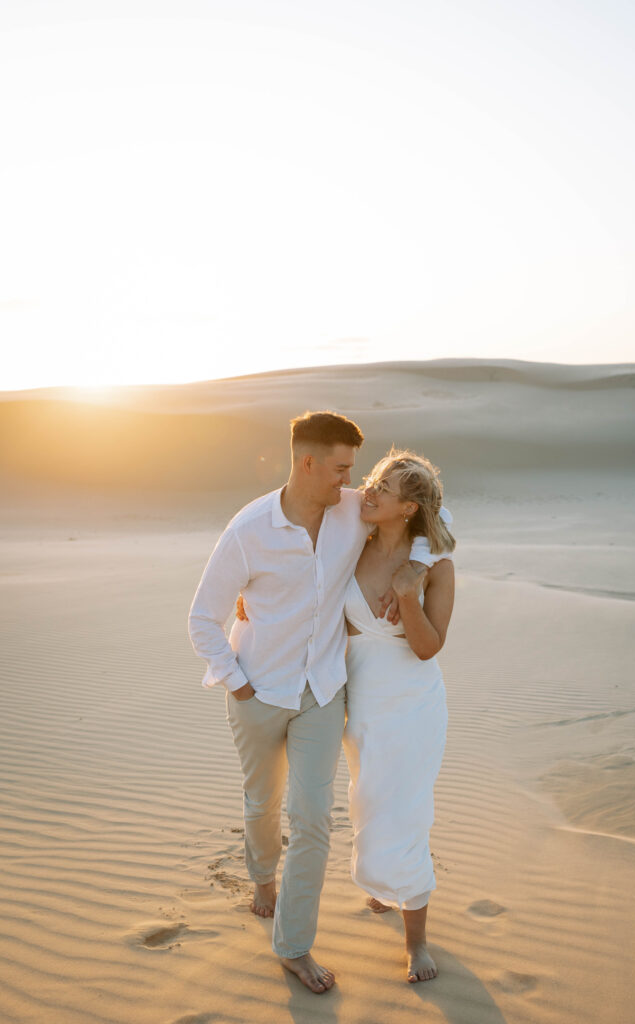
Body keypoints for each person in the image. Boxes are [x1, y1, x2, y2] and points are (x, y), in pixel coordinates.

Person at [187, 412, 437, 994]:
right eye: (343, 469)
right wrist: (237, 681)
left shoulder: (352, 510)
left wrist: (417, 567)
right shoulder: (249, 530)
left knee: (314, 818)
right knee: (261, 804)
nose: (353, 483)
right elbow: (202, 618)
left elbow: (433, 515)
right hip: (256, 692)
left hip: (323, 691)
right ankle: (262, 877)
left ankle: (294, 945)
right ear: (308, 463)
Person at [342, 448, 455, 984]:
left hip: (412, 702)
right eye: (372, 480)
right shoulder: (352, 539)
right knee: (367, 799)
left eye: (384, 488)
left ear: (407, 508)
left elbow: (429, 646)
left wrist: (409, 594)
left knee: (406, 812)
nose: (370, 491)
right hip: (358, 697)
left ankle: (418, 943)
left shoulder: (435, 566)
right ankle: (383, 886)